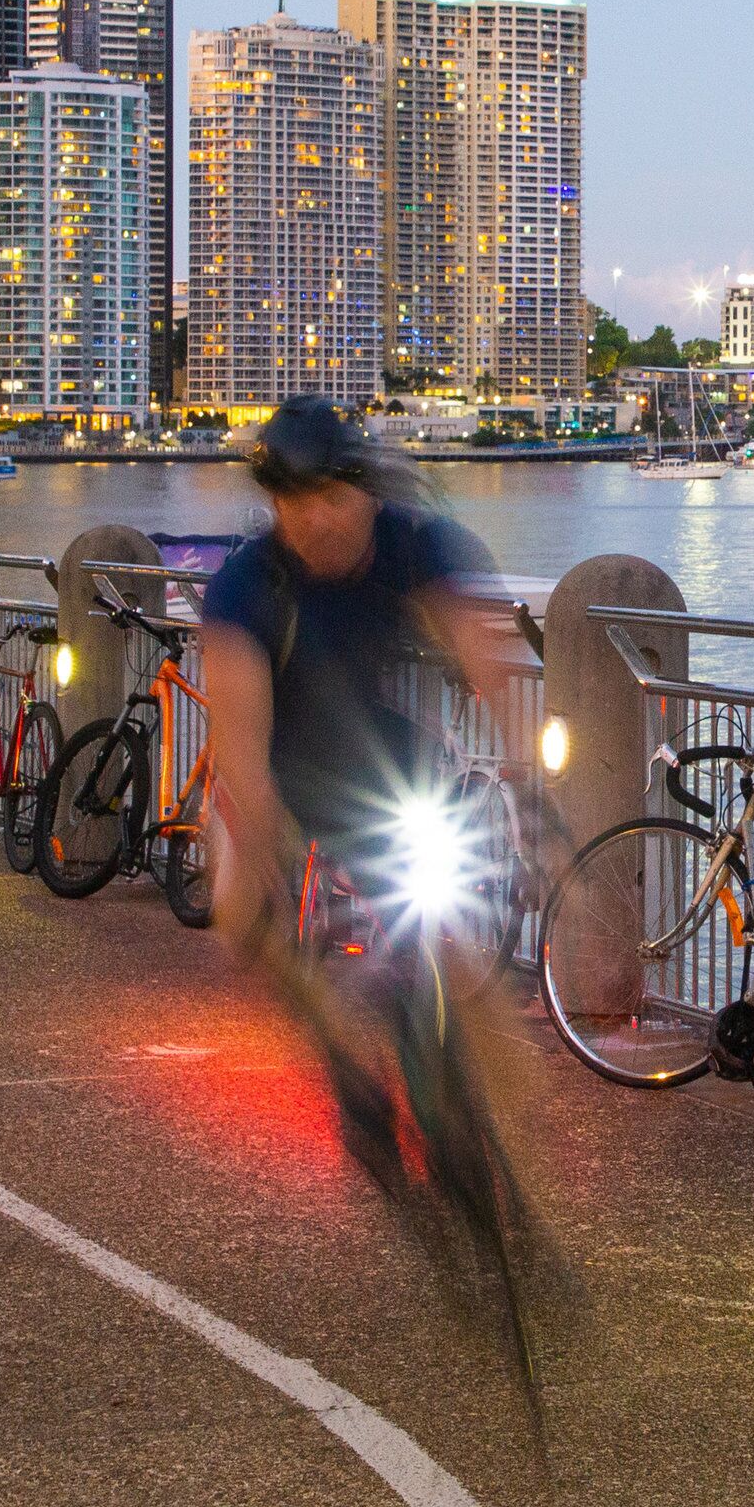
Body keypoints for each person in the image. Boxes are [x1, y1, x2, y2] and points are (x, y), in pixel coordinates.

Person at [194, 398, 549, 1421]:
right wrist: (258, 854)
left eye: (330, 498)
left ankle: (478, 1143)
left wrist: (528, 777)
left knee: (440, 933)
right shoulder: (246, 591)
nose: (316, 523)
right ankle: (336, 1054)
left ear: (362, 487)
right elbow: (246, 760)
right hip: (285, 777)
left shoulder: (414, 542)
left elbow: (486, 659)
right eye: (291, 504)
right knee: (237, 916)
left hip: (386, 767)